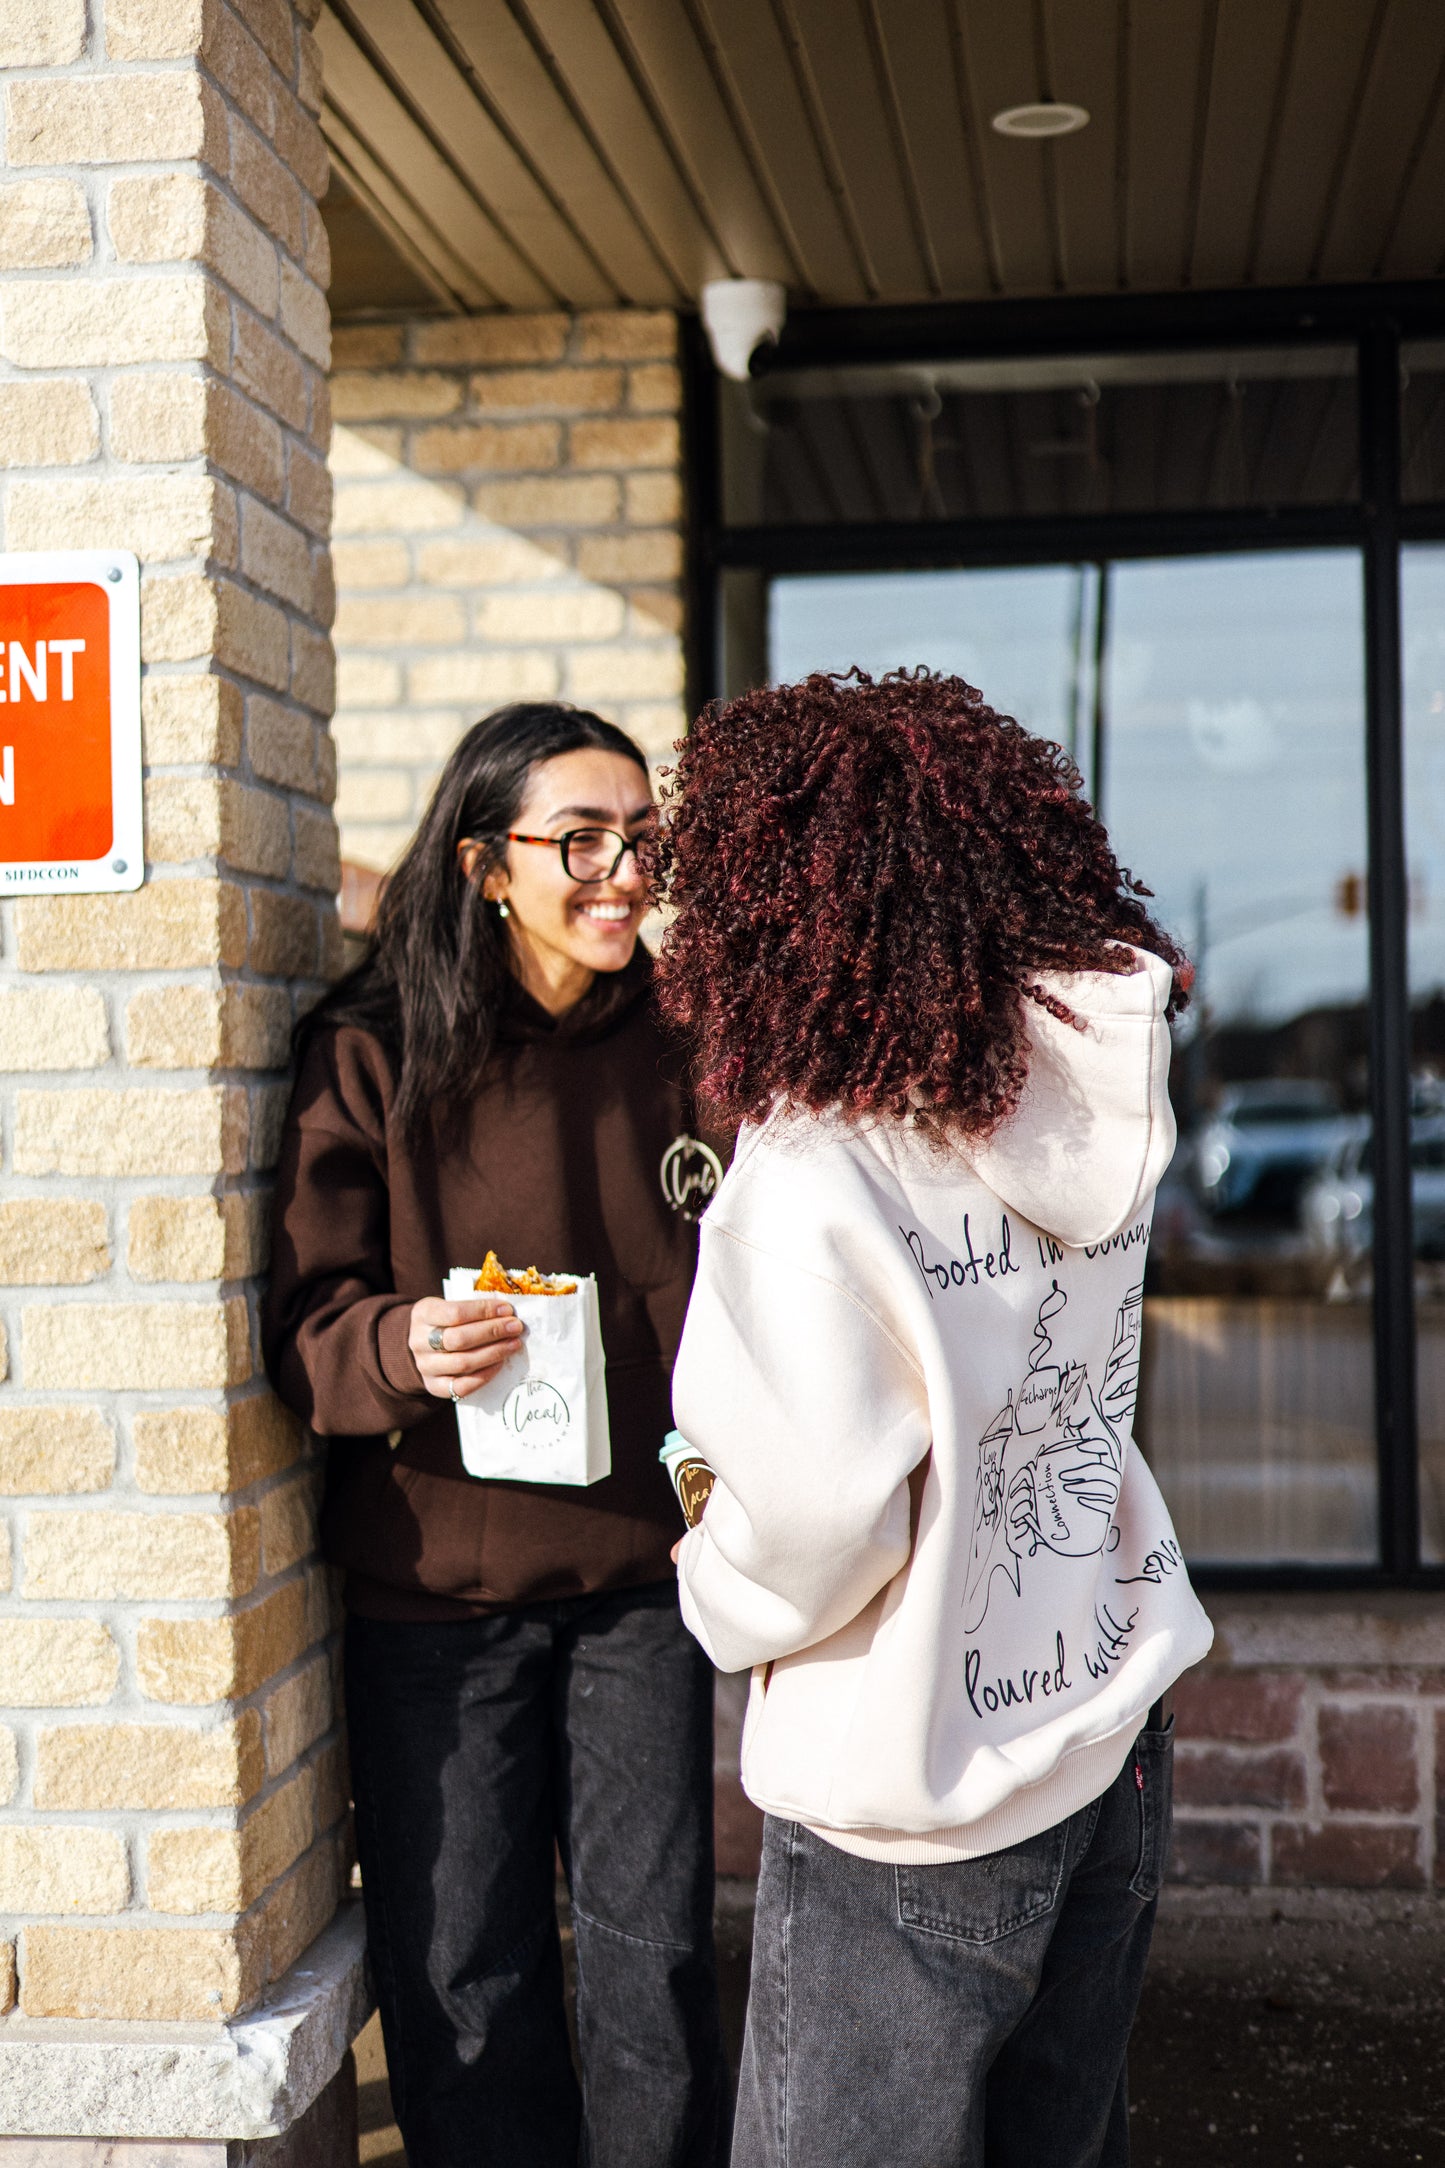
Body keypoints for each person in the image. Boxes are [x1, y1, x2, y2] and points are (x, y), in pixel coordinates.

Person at [654, 670, 1214, 2168]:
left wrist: (713, 1589)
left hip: (913, 1791)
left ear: (770, 903)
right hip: (1104, 1719)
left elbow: (815, 1518)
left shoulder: (811, 1174)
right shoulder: (1077, 1100)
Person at [263, 703, 728, 2168]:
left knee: (655, 1959)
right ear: (485, 865)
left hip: (644, 1584)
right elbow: (306, 1320)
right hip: (435, 1600)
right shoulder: (373, 1052)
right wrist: (399, 1345)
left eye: (640, 840)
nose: (620, 873)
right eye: (579, 840)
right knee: (464, 1966)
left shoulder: (690, 1046)